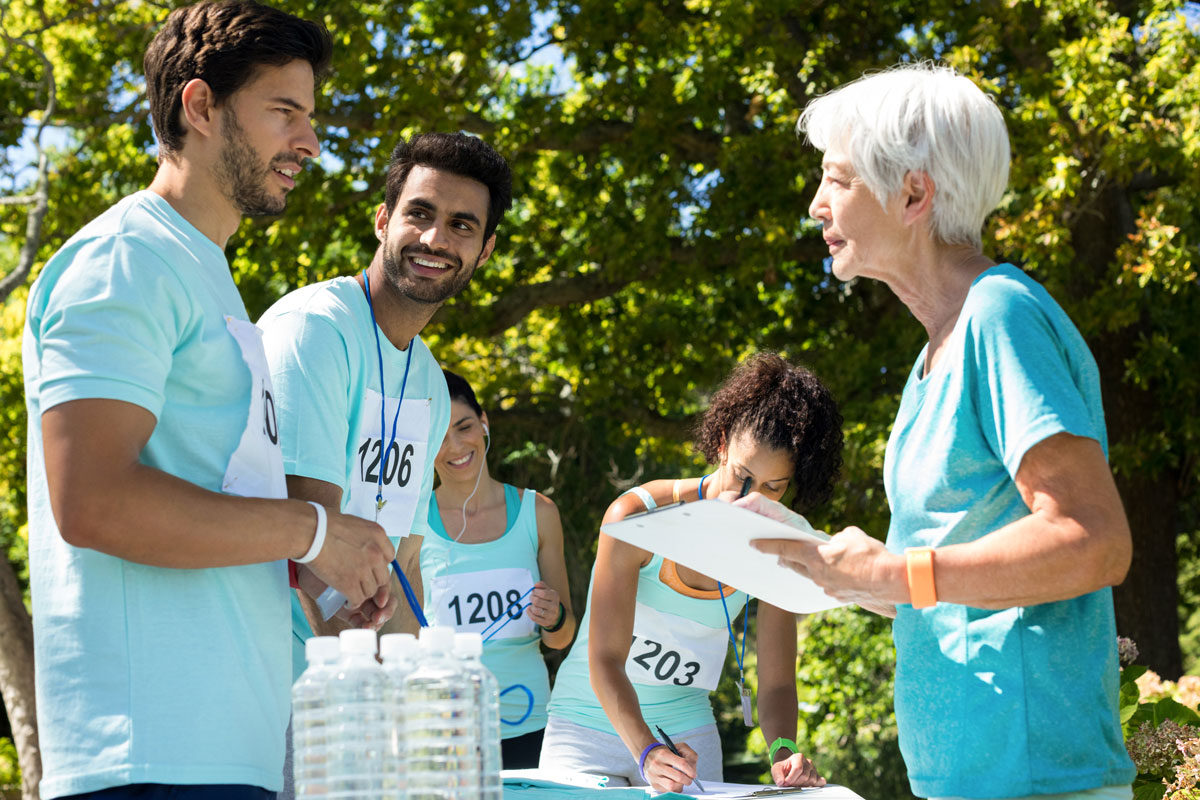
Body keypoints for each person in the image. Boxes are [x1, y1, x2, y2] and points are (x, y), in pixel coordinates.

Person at [20, 3, 397, 798]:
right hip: (148, 757)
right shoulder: (126, 259)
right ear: (200, 107)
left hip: (227, 753)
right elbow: (91, 500)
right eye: (284, 112)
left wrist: (318, 591)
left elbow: (210, 513)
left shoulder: (208, 280)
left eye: (312, 116)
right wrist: (312, 530)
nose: (310, 143)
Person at [746, 63, 1137, 799]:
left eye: (837, 179)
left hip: (1036, 779)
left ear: (913, 194)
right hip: (964, 778)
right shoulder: (936, 352)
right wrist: (841, 572)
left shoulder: (1001, 316)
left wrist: (897, 572)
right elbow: (953, 571)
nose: (815, 205)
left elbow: (1094, 539)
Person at [259, 133, 513, 665]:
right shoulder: (315, 330)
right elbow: (308, 543)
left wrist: (414, 699)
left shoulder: (427, 380)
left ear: (484, 250)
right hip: (281, 682)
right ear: (382, 220)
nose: (435, 238)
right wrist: (370, 701)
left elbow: (406, 565)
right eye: (419, 213)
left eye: (462, 225)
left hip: (360, 695)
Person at [539, 353, 842, 793]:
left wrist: (783, 751)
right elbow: (604, 659)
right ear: (721, 443)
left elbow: (776, 682)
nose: (749, 499)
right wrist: (646, 752)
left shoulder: (781, 545)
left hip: (686, 739)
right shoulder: (637, 517)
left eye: (773, 487)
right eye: (741, 476)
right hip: (586, 727)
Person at [420, 368, 576, 768]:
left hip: (531, 725)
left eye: (464, 426)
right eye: (437, 434)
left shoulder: (538, 512)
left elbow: (561, 637)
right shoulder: (410, 523)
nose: (454, 446)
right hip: (445, 734)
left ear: (484, 422)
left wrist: (554, 616)